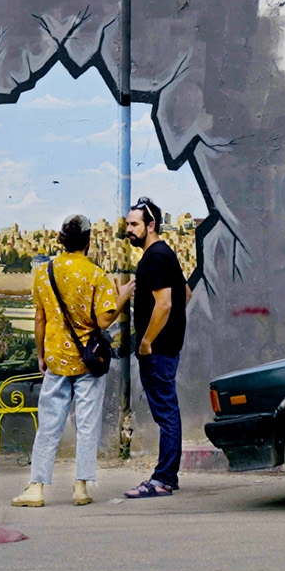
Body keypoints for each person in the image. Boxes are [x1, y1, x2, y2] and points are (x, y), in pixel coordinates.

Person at [11, 215, 122, 508]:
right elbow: (104, 319)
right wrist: (122, 298)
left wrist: (40, 354)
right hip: (88, 361)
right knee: (87, 424)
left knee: (49, 424)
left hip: (56, 358)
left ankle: (36, 488)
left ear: (61, 240)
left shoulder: (44, 272)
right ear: (88, 241)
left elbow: (39, 318)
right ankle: (81, 486)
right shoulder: (96, 275)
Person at [116, 197, 188, 498]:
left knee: (167, 414)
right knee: (167, 412)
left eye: (134, 225)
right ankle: (167, 476)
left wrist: (147, 341)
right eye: (128, 225)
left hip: (157, 351)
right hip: (166, 348)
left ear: (151, 225)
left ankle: (163, 479)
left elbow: (167, 302)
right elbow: (187, 294)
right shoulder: (165, 254)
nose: (129, 230)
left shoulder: (155, 257)